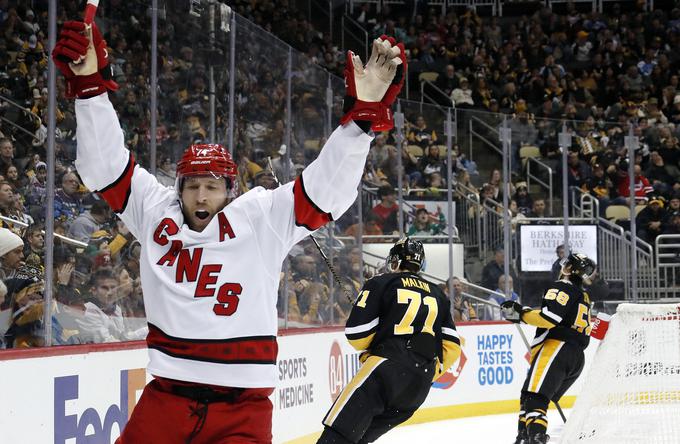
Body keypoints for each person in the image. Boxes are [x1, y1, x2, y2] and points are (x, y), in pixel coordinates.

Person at [53, 19, 406, 443]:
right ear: (178, 187)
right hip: (166, 398)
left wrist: (359, 124)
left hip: (242, 408)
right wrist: (90, 88)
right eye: (193, 186)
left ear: (229, 190)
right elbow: (104, 166)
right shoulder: (154, 210)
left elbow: (324, 192)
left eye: (212, 187)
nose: (201, 197)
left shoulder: (258, 219)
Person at [318, 238, 461, 443]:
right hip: (419, 385)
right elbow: (452, 347)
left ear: (394, 261)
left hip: (385, 371)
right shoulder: (439, 294)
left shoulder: (381, 282)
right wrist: (427, 370)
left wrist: (379, 348)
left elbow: (357, 335)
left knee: (338, 435)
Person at [502, 253, 596, 444]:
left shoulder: (561, 286)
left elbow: (549, 318)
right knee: (528, 395)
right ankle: (524, 437)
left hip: (557, 349)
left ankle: (535, 439)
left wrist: (521, 314)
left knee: (536, 398)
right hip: (576, 357)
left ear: (569, 268)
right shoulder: (583, 296)